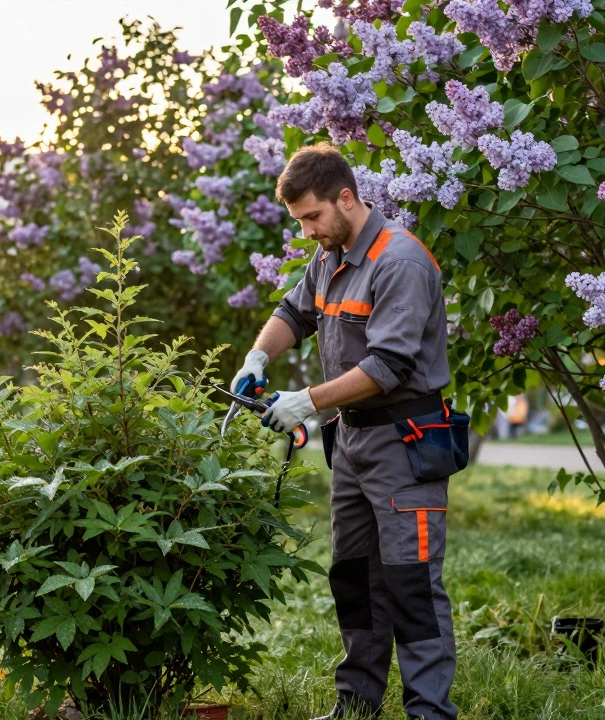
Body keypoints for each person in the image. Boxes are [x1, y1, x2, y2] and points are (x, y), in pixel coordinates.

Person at [229, 144, 457, 720]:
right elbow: (293, 313)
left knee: (411, 582)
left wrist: (305, 402)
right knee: (354, 577)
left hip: (405, 441)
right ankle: (356, 705)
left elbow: (389, 366)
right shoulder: (330, 256)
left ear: (346, 198)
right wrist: (259, 356)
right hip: (352, 442)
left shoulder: (399, 261)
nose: (307, 231)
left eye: (313, 217)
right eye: (300, 220)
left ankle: (429, 712)